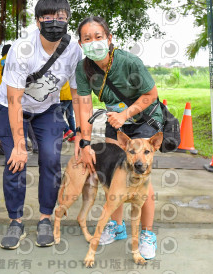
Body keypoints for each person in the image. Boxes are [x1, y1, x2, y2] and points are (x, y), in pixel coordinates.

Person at [0, 0, 82, 249]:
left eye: (61, 17)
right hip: (12, 107)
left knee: (51, 159)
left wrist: (82, 135)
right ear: (37, 22)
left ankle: (45, 218)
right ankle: (16, 221)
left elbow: (78, 95)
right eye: (48, 17)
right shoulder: (22, 49)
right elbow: (14, 101)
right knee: (15, 162)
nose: (55, 22)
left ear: (67, 21)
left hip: (48, 109)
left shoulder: (73, 50)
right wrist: (20, 145)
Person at [74, 15, 161, 260]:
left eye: (98, 37)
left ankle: (146, 234)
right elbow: (84, 106)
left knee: (141, 175)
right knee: (117, 179)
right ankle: (118, 226)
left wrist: (126, 114)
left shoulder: (129, 62)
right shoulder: (84, 69)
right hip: (115, 121)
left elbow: (151, 95)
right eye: (87, 38)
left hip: (142, 119)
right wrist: (85, 143)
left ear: (109, 38)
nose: (93, 42)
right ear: (81, 44)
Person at [0, 44, 37, 153]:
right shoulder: (20, 61)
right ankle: (33, 146)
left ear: (2, 53)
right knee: (25, 122)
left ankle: (4, 149)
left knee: (4, 124)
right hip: (20, 98)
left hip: (3, 99)